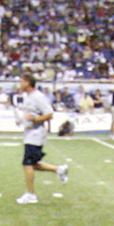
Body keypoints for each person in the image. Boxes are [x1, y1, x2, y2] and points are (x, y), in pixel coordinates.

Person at [12, 71, 68, 205]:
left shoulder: (38, 97)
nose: (19, 84)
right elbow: (29, 114)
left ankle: (31, 194)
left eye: (21, 81)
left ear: (27, 82)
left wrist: (36, 118)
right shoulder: (28, 97)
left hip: (36, 134)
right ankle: (59, 169)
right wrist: (22, 120)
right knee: (33, 164)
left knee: (27, 164)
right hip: (29, 132)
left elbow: (49, 114)